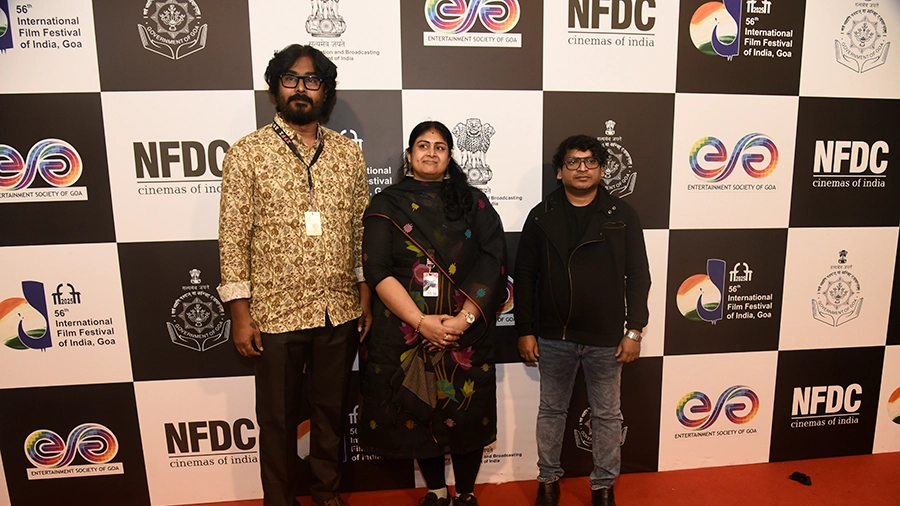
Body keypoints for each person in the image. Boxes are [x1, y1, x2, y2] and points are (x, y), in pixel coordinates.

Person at [217, 44, 371, 506]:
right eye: (291, 79)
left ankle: (326, 494)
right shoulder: (248, 152)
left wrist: (363, 294)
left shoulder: (347, 154)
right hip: (274, 313)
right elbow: (233, 236)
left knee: (331, 413)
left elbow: (360, 229)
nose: (301, 88)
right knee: (278, 420)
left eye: (312, 80)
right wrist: (240, 313)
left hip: (338, 310)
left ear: (325, 90)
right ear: (275, 88)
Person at [358, 121, 507, 506]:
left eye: (439, 147)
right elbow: (377, 269)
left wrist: (464, 319)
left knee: (466, 410)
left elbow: (493, 261)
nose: (431, 152)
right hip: (407, 329)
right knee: (419, 406)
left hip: (465, 332)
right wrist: (421, 322)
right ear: (409, 155)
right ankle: (437, 491)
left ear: (449, 156)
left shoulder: (473, 202)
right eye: (422, 145)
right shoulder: (386, 204)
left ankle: (467, 493)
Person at [514, 135, 651, 506]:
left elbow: (639, 275)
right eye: (573, 162)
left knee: (607, 415)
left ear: (602, 170)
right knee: (551, 411)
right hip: (553, 335)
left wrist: (635, 330)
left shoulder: (623, 215)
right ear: (560, 172)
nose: (582, 168)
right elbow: (524, 276)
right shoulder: (540, 216)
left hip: (606, 337)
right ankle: (547, 481)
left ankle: (603, 485)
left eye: (590, 161)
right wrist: (525, 329)